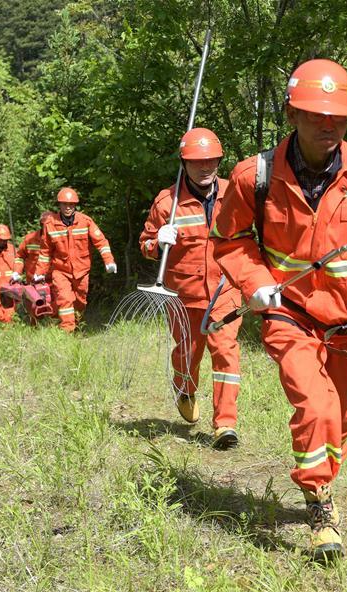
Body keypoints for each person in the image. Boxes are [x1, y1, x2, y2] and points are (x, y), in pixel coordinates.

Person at [210, 59, 347, 562]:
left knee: (342, 420)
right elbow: (230, 239)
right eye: (315, 115)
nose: (328, 126)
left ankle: (323, 477)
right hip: (291, 313)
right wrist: (257, 282)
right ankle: (319, 506)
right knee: (317, 407)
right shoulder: (255, 176)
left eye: (338, 117)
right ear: (291, 113)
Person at [139, 128, 242, 450]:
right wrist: (158, 240)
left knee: (226, 352)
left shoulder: (236, 193)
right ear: (184, 163)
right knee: (188, 352)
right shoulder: (167, 203)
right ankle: (184, 387)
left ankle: (225, 424)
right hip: (184, 294)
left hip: (225, 290)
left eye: (212, 160)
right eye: (198, 162)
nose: (206, 167)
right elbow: (145, 244)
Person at [33, 188, 117, 332]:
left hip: (82, 271)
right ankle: (67, 332)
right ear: (59, 205)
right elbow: (45, 251)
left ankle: (76, 325)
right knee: (64, 299)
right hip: (61, 271)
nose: (68, 207)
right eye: (65, 204)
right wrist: (40, 271)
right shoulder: (50, 224)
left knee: (80, 302)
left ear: (75, 205)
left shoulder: (85, 221)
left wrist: (109, 261)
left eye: (71, 204)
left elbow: (101, 242)